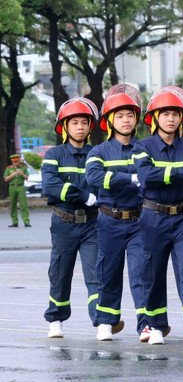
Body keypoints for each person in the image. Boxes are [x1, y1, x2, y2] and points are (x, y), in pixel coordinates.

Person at [133, 86, 183, 346]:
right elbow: (146, 176)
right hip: (154, 217)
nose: (171, 119)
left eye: (175, 114)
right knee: (152, 273)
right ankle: (156, 325)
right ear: (155, 118)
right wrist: (182, 174)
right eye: (165, 114)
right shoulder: (142, 147)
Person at [85, 84, 149, 341]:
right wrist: (133, 178)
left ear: (136, 120)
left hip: (138, 220)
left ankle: (146, 324)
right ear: (110, 121)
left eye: (130, 115)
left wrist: (121, 178)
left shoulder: (145, 149)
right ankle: (106, 322)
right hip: (109, 220)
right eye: (120, 116)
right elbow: (94, 177)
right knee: (108, 272)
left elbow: (151, 178)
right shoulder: (98, 151)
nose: (126, 120)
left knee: (141, 274)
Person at [42, 98, 101, 338]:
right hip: (63, 222)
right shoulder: (53, 154)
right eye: (74, 122)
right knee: (60, 273)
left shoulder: (97, 154)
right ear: (64, 127)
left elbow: (101, 185)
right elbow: (50, 185)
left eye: (84, 122)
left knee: (97, 273)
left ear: (90, 126)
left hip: (92, 223)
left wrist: (89, 195)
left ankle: (101, 321)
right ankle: (55, 319)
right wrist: (84, 194)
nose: (79, 127)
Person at [5, 154, 30, 227]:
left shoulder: (23, 168)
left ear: (19, 161)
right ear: (12, 161)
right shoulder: (9, 168)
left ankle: (26, 221)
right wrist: (13, 174)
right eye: (14, 161)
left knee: (23, 204)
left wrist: (22, 174)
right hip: (12, 187)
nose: (16, 163)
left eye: (17, 161)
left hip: (21, 187)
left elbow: (27, 178)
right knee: (13, 204)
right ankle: (14, 222)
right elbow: (6, 179)